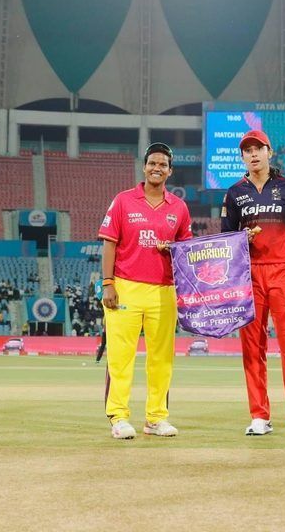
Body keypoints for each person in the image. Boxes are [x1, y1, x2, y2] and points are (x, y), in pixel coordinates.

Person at [222, 129, 285, 439]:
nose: (253, 154)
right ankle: (259, 416)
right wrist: (241, 240)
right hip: (249, 278)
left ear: (269, 152)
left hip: (284, 274)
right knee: (252, 348)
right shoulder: (235, 193)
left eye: (258, 149)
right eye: (247, 150)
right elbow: (226, 242)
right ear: (242, 157)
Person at [97, 142, 192, 439]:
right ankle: (119, 417)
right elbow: (109, 243)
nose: (157, 168)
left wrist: (173, 248)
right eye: (152, 163)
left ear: (170, 171)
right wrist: (108, 283)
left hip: (164, 291)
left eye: (163, 164)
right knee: (121, 356)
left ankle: (156, 418)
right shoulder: (124, 200)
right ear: (144, 166)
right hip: (125, 287)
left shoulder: (179, 207)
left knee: (161, 358)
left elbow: (186, 249)